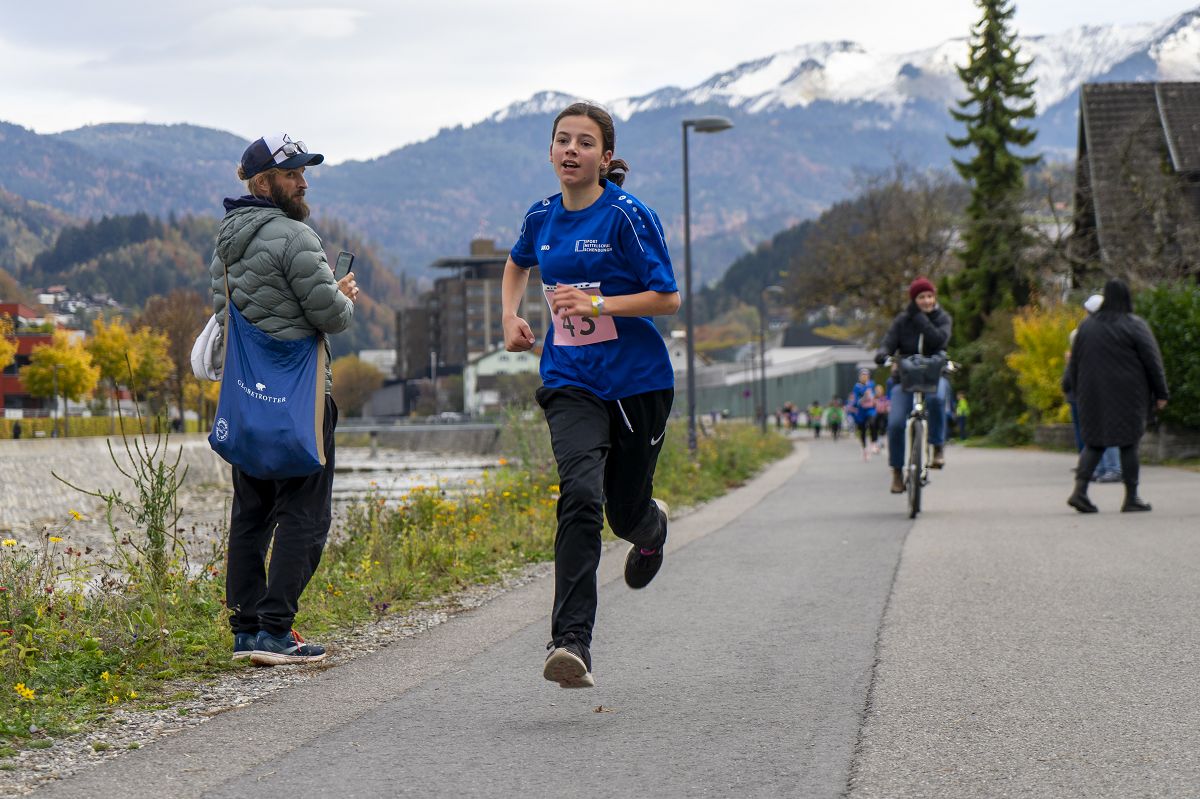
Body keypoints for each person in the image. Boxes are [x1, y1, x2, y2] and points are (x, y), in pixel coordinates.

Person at [501, 102, 680, 689]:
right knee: (580, 493)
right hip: (570, 379)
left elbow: (667, 299)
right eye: (562, 140)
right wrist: (509, 315)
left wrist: (598, 304)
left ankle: (651, 531)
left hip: (638, 383)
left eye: (584, 142)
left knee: (625, 513)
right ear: (550, 152)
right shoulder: (541, 216)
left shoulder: (628, 215)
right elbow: (516, 264)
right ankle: (570, 642)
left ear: (605, 158)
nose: (571, 150)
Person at [208, 133, 359, 664]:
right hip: (300, 398)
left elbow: (227, 313)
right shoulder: (297, 237)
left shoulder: (226, 243)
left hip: (248, 397)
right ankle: (276, 629)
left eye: (303, 172)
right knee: (307, 514)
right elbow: (330, 317)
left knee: (251, 513)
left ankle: (246, 629)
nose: (303, 182)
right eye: (292, 173)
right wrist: (343, 295)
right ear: (263, 183)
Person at [1064, 279, 1168, 513]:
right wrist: (1161, 393)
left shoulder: (1087, 327)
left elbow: (1074, 364)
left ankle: (1079, 492)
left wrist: (1076, 391)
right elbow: (1152, 361)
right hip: (1129, 394)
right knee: (1129, 443)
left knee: (1094, 443)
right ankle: (1131, 497)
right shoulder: (1134, 324)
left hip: (1092, 394)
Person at [875, 277, 952, 494]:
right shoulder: (902, 321)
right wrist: (883, 354)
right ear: (913, 299)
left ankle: (937, 447)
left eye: (929, 296)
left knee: (937, 400)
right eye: (921, 297)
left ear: (934, 297)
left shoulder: (942, 318)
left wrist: (920, 319)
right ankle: (897, 473)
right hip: (905, 379)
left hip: (934, 375)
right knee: (896, 423)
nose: (926, 301)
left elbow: (939, 341)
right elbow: (888, 342)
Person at [1064, 294, 1122, 482]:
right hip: (1096, 389)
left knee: (1105, 431)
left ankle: (1112, 469)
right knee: (1096, 431)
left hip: (1104, 389)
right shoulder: (1099, 330)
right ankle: (1100, 468)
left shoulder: (1103, 332)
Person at [849, 368, 879, 460]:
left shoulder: (871, 384)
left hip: (870, 409)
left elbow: (875, 395)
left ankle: (874, 443)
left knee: (872, 422)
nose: (865, 377)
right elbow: (855, 401)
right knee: (862, 430)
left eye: (866, 375)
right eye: (863, 375)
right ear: (860, 377)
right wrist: (863, 397)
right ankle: (864, 449)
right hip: (861, 411)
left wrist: (875, 397)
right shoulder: (857, 387)